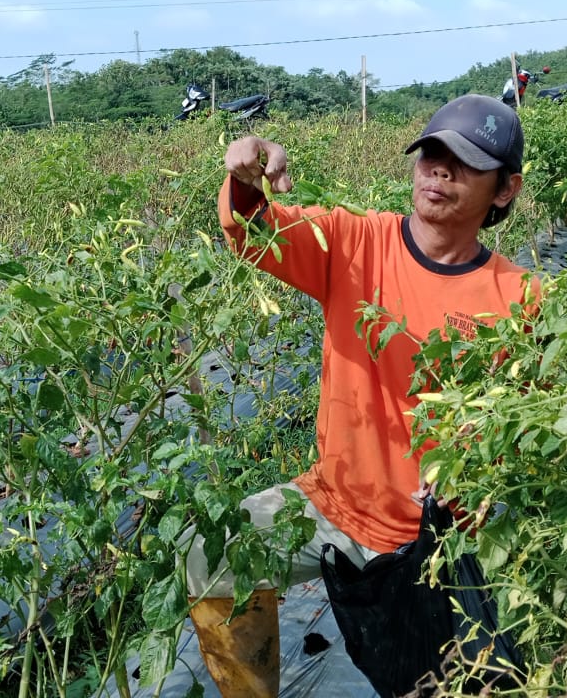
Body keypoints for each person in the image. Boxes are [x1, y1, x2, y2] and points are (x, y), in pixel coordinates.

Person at [186, 94, 538, 696]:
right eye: (431, 153)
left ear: (504, 190)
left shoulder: (522, 299)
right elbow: (251, 231)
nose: (439, 170)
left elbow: (533, 427)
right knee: (214, 553)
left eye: (465, 162)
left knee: (448, 678)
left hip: (440, 539)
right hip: (336, 504)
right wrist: (245, 176)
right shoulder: (356, 241)